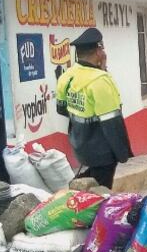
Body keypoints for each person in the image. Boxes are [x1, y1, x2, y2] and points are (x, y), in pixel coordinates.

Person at [55, 27, 132, 189]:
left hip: (81, 147)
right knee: (100, 193)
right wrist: (122, 153)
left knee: (87, 186)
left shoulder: (66, 77)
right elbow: (112, 123)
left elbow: (61, 109)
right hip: (102, 152)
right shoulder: (101, 81)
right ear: (98, 52)